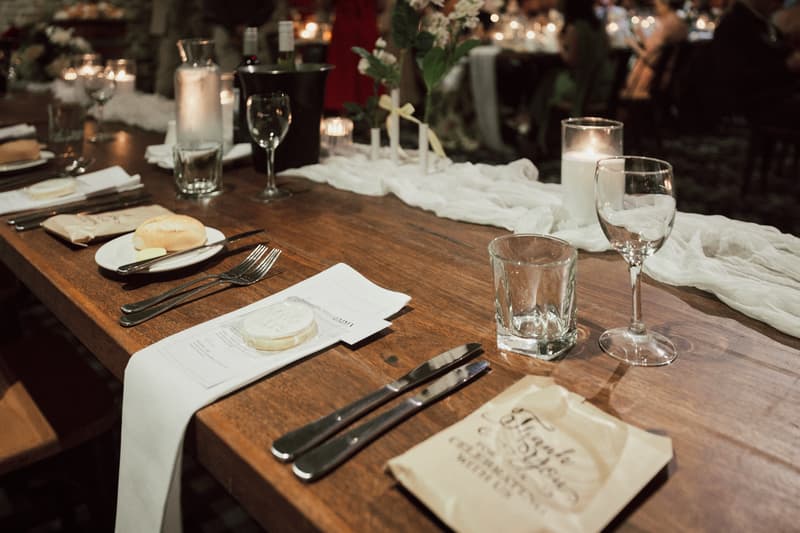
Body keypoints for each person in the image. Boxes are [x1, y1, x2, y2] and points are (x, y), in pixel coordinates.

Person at [529, 0, 614, 153]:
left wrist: (560, 41)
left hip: (581, 84)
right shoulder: (599, 27)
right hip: (599, 85)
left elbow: (571, 60)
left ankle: (535, 130)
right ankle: (533, 130)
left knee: (545, 83)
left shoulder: (576, 28)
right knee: (547, 80)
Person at [711, 0, 800, 125]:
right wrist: (786, 66)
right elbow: (739, 78)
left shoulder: (760, 22)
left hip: (776, 96)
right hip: (758, 103)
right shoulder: (736, 24)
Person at [621, 0, 689, 99]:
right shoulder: (679, 22)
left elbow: (651, 59)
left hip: (654, 80)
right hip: (672, 76)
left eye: (656, 5)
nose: (654, 9)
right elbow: (655, 48)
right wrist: (640, 34)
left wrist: (633, 45)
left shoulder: (667, 24)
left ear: (666, 4)